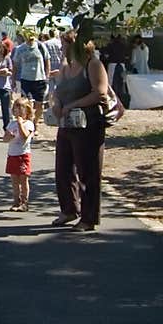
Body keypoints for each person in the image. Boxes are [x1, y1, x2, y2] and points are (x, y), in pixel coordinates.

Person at [50, 28, 109, 232]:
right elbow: (58, 91)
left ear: (75, 44)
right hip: (67, 125)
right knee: (63, 170)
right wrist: (56, 103)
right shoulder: (65, 67)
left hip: (89, 125)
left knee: (88, 172)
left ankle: (89, 218)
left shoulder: (92, 64)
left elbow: (100, 92)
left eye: (64, 44)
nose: (61, 48)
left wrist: (73, 105)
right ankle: (69, 210)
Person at [2, 94, 34, 212]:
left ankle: (25, 202)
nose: (18, 111)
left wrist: (20, 124)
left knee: (23, 179)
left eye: (21, 108)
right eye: (16, 108)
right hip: (12, 154)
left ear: (27, 110)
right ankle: (16, 200)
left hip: (23, 154)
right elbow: (5, 139)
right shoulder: (11, 123)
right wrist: (8, 136)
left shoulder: (28, 124)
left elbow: (25, 136)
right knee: (14, 180)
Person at [13, 32, 48, 127]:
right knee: (26, 104)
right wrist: (13, 80)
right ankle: (28, 124)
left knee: (40, 104)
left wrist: (47, 76)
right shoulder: (20, 49)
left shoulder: (41, 46)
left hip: (40, 79)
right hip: (25, 79)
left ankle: (35, 122)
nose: (30, 39)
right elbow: (15, 65)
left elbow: (47, 60)